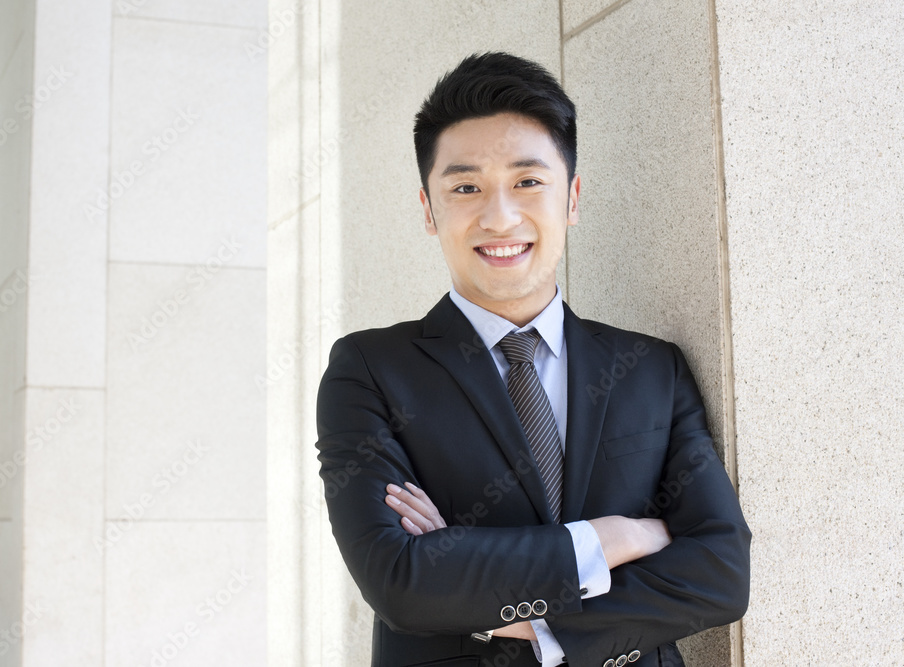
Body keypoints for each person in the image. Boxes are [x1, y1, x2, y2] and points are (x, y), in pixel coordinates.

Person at [315, 52, 751, 667]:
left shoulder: (653, 368)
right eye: (465, 187)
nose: (500, 217)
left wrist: (509, 609)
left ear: (571, 198)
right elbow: (402, 583)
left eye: (528, 182)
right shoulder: (369, 369)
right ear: (427, 209)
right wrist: (616, 537)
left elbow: (721, 573)